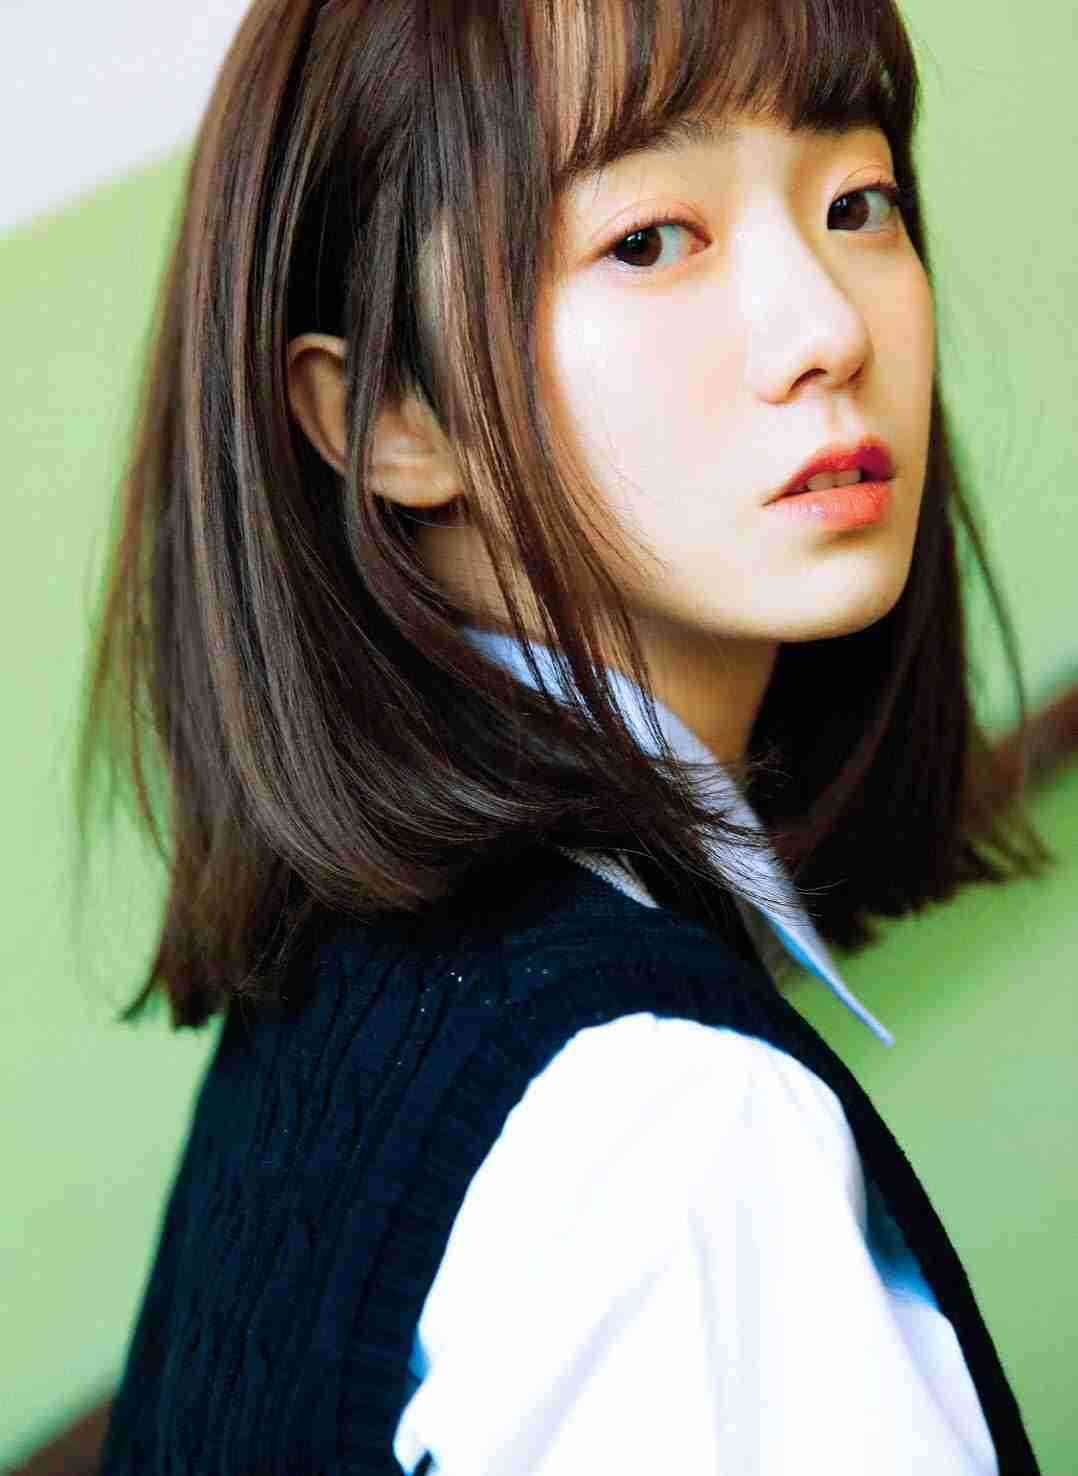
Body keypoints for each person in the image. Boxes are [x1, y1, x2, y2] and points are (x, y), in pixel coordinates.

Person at [80, 0, 1051, 1471]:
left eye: (857, 202)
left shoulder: (377, 983)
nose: (828, 329)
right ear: (390, 416)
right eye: (651, 239)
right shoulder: (665, 1125)